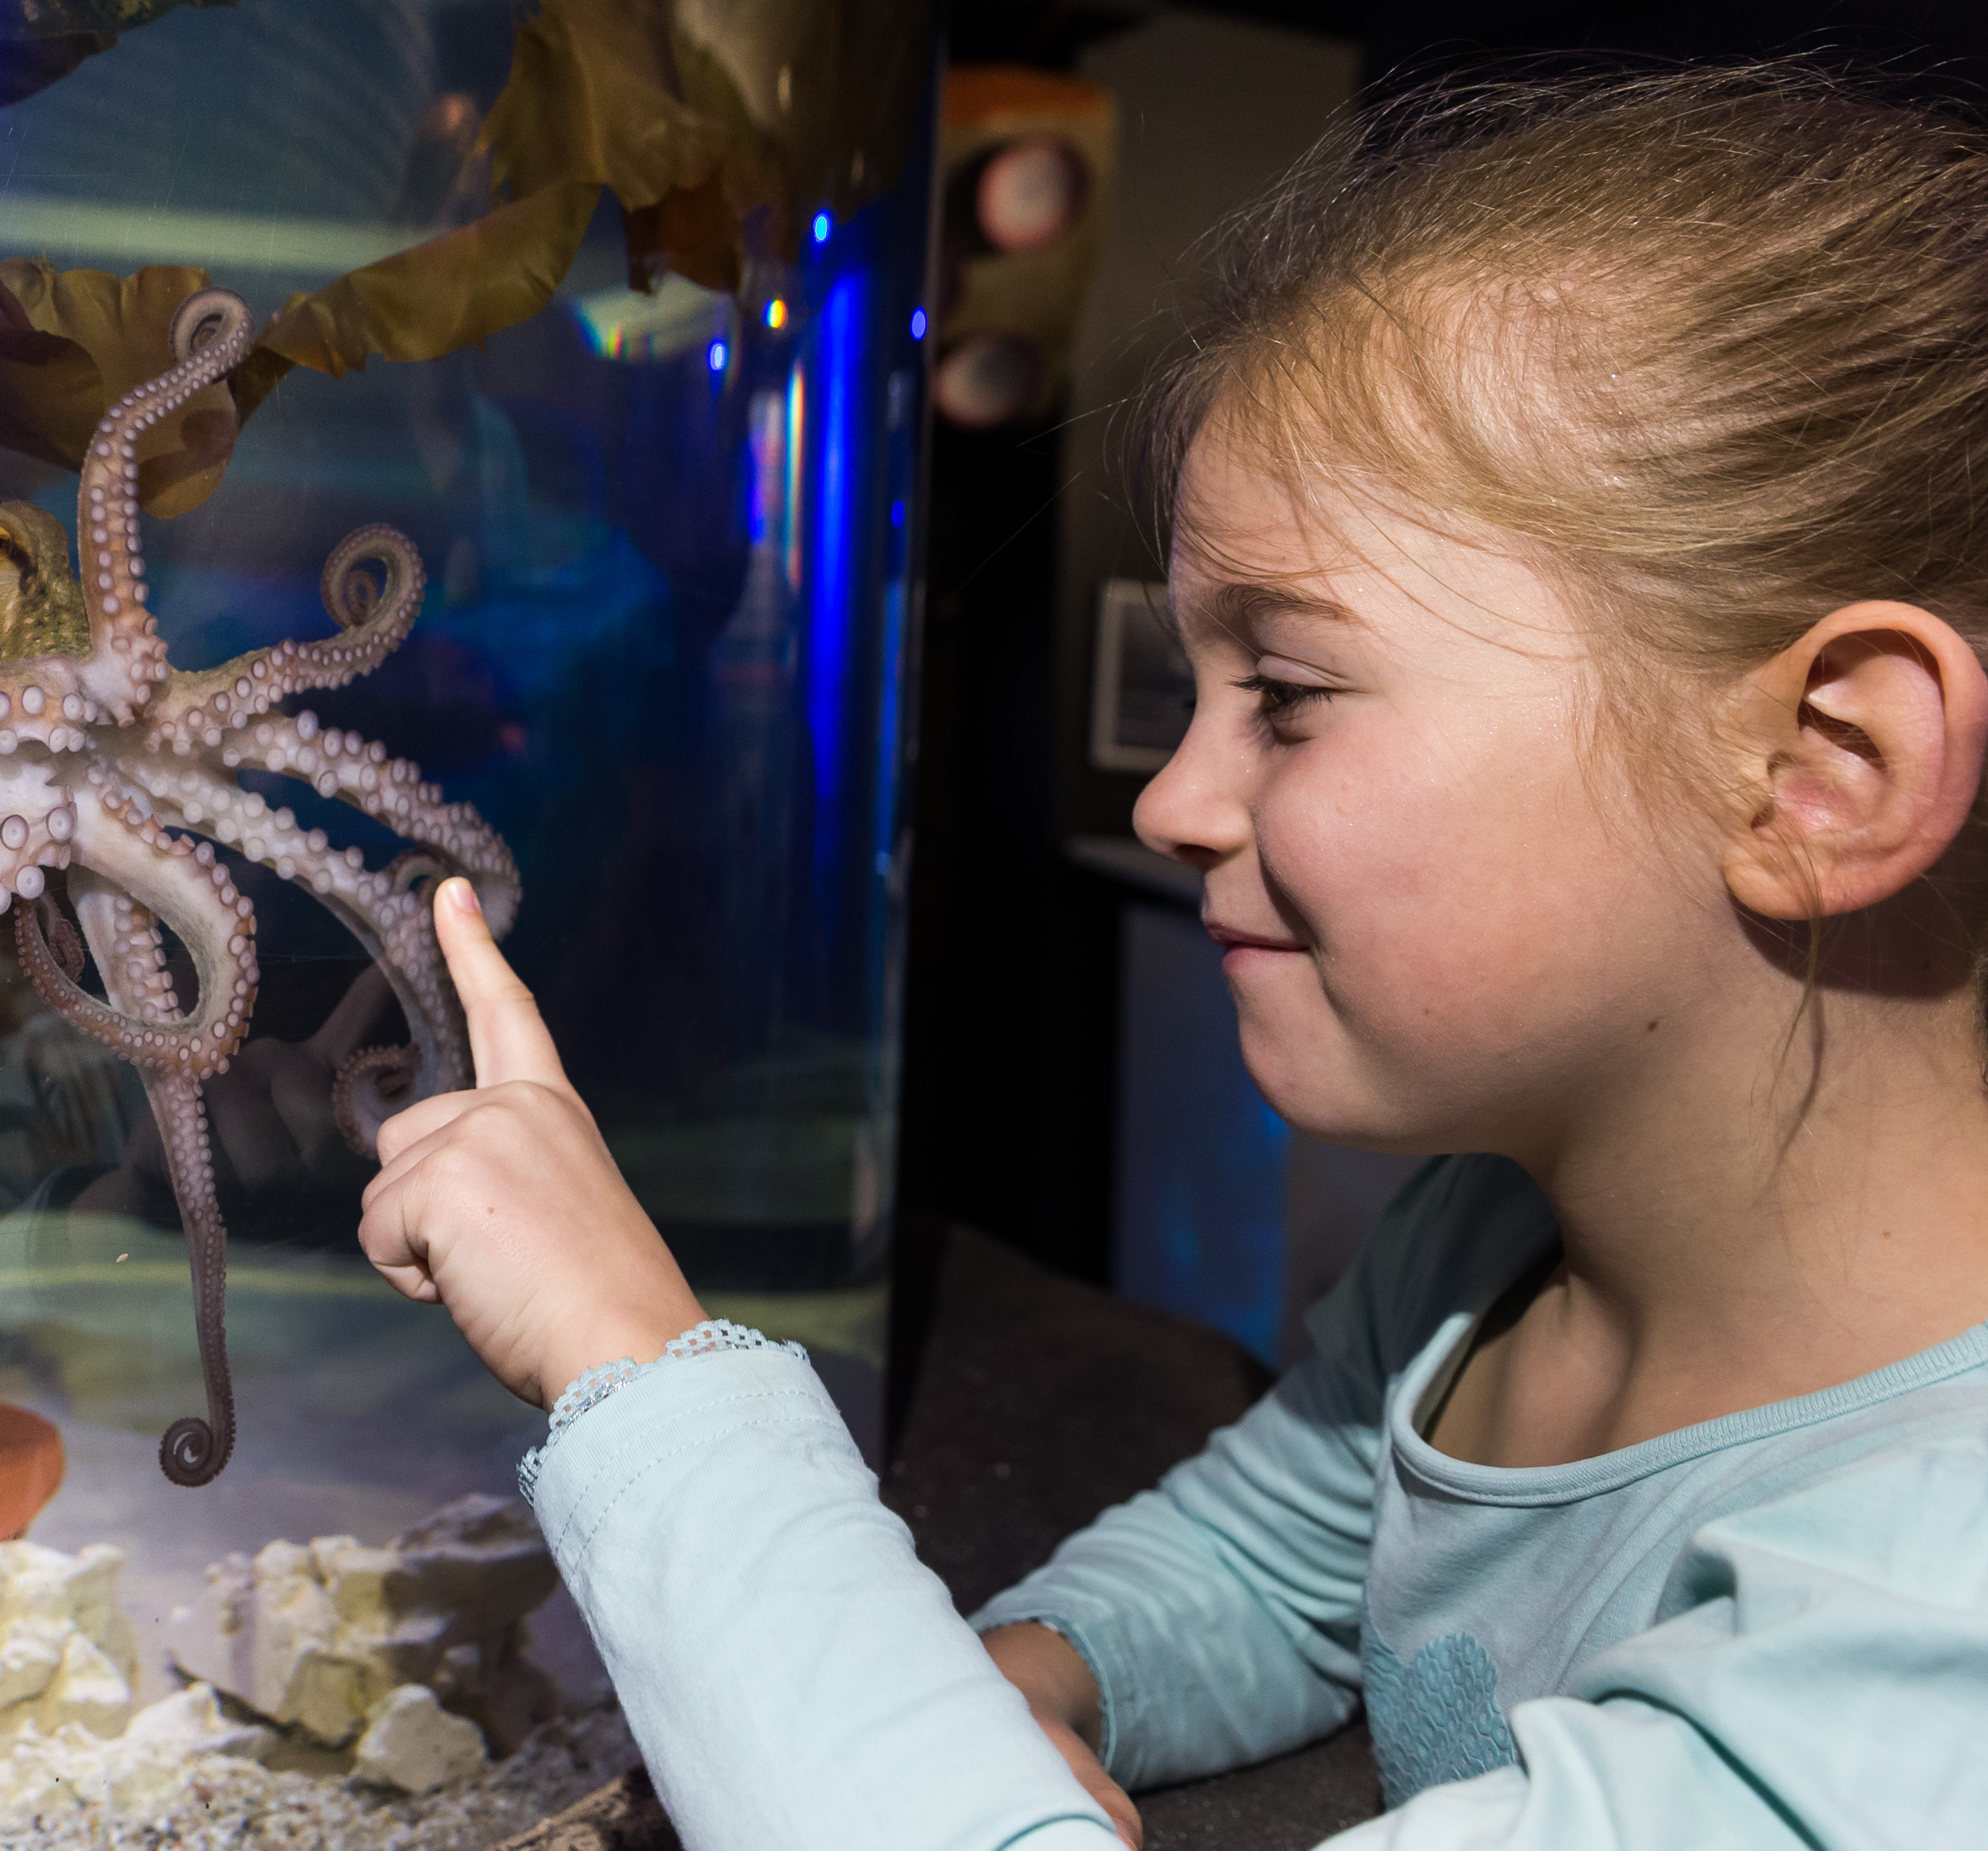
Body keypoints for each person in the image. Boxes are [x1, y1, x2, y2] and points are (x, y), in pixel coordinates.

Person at [357, 66, 1988, 1850]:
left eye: (1285, 693)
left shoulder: (1940, 1620)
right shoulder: (1487, 1247)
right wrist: (1019, 1685)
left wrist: (636, 1363)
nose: (1170, 801)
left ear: (1825, 769)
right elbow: (1276, 1553)